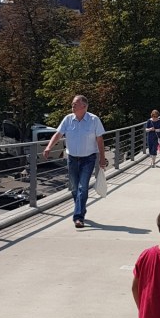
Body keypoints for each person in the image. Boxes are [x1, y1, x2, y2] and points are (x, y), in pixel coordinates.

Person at [43, 95, 106, 229]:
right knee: (74, 188)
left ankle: (78, 217)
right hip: (72, 158)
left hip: (88, 159)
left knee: (82, 187)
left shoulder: (94, 120)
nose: (72, 106)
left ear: (84, 106)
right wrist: (49, 147)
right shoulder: (68, 119)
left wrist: (101, 158)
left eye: (75, 104)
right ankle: (81, 209)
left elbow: (100, 140)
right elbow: (58, 134)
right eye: (72, 104)